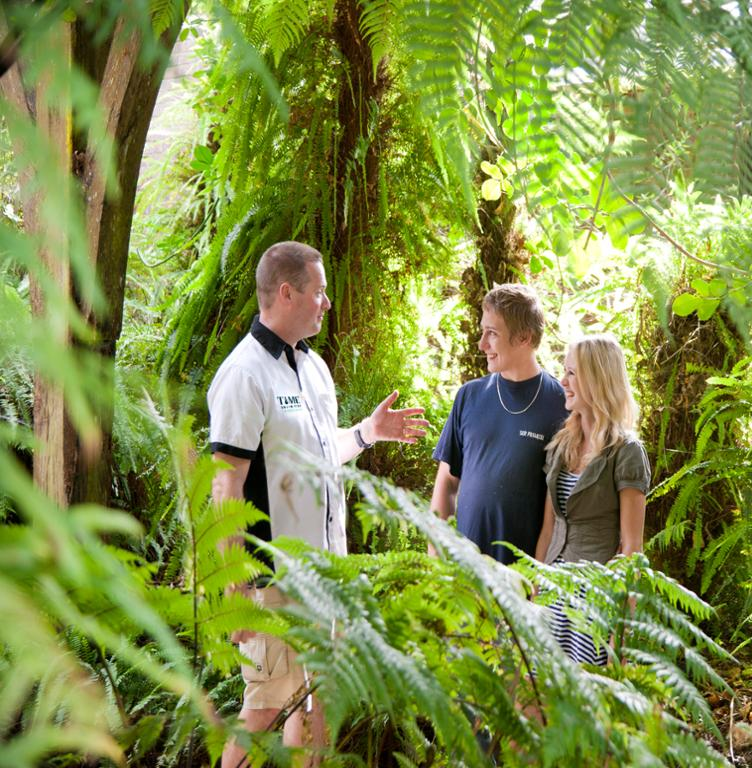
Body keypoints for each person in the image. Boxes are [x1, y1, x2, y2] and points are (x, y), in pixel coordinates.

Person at [208, 241, 428, 768]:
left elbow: (322, 453)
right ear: (287, 293)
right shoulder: (244, 374)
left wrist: (368, 433)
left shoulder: (314, 368)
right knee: (265, 708)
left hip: (326, 575)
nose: (327, 302)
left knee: (315, 707)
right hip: (274, 579)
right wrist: (232, 584)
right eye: (320, 291)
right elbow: (225, 485)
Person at [430, 283, 567, 564]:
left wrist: (540, 578)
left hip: (524, 577)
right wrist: (435, 561)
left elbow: (563, 508)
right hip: (464, 575)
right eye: (483, 331)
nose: (482, 344)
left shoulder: (561, 404)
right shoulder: (469, 396)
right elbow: (446, 484)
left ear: (524, 337)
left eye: (492, 333)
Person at [534, 334, 650, 665]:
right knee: (543, 687)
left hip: (595, 600)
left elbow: (632, 548)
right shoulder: (562, 445)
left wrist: (621, 630)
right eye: (564, 371)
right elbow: (548, 529)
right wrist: (534, 590)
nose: (563, 381)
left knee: (586, 689)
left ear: (597, 380)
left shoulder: (626, 451)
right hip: (551, 591)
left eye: (572, 373)